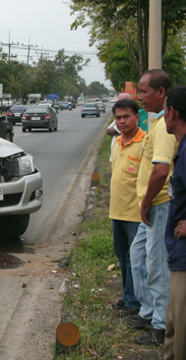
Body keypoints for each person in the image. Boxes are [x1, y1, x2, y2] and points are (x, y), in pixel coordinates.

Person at [124, 69, 177, 345]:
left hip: (159, 205)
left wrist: (145, 202)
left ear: (161, 93)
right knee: (139, 257)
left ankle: (162, 326)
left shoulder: (166, 128)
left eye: (144, 92)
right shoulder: (156, 122)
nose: (139, 97)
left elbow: (161, 170)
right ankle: (149, 311)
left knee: (157, 265)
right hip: (150, 207)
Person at [109, 99, 145, 317]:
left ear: (136, 117)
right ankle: (127, 296)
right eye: (118, 118)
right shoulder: (117, 141)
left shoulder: (144, 142)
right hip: (117, 211)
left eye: (126, 117)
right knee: (122, 256)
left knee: (136, 259)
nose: (122, 121)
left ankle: (135, 302)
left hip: (136, 214)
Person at [162, 86, 186, 359]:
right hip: (178, 252)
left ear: (173, 112)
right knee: (173, 326)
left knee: (181, 333)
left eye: (165, 111)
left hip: (184, 255)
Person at [107, 93, 133, 162]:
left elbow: (112, 131)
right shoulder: (120, 117)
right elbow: (108, 130)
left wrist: (115, 130)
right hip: (116, 155)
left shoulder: (130, 118)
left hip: (124, 155)